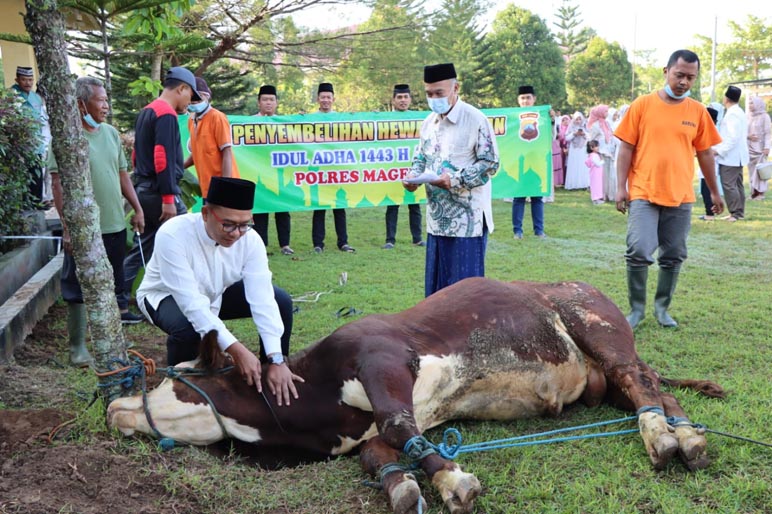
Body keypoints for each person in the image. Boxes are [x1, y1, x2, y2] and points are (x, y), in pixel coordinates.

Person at [137, 176, 303, 406]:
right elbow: (192, 305)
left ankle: (269, 374)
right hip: (164, 296)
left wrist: (276, 359)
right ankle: (181, 389)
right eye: (228, 224)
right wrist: (236, 350)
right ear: (206, 214)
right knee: (189, 329)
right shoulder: (173, 234)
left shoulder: (251, 240)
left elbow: (262, 298)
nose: (236, 233)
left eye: (244, 224)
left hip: (215, 295)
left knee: (281, 301)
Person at [615, 49, 724, 329]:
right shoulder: (642, 105)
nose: (684, 82)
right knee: (638, 249)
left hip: (680, 196)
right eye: (679, 75)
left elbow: (706, 154)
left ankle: (662, 308)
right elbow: (626, 147)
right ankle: (636, 310)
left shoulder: (698, 112)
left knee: (673, 253)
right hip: (643, 192)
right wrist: (620, 187)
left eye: (691, 77)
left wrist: (714, 191)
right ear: (666, 72)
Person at [48, 76, 146, 365]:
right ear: (81, 104)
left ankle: (110, 337)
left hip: (115, 223)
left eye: (106, 100)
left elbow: (122, 175)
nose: (106, 106)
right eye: (100, 100)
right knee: (76, 287)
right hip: (84, 229)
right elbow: (58, 185)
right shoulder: (66, 139)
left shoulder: (111, 134)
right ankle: (77, 347)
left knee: (114, 283)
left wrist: (138, 209)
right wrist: (68, 228)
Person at [403, 63, 499, 297]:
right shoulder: (429, 123)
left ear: (455, 88)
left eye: (439, 93)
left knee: (465, 295)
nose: (434, 99)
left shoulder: (475, 118)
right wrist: (412, 178)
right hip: (437, 220)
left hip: (468, 222)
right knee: (437, 294)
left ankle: (470, 335)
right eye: (429, 94)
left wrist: (454, 180)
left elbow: (490, 164)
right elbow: (421, 157)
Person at [121, 67, 199, 307]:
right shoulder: (166, 114)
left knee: (143, 248)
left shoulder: (147, 111)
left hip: (145, 189)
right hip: (159, 193)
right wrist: (168, 197)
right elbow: (162, 157)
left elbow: (136, 154)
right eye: (190, 96)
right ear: (181, 88)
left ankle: (121, 301)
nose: (190, 102)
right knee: (187, 240)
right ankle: (187, 297)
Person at [311, 82, 355, 253]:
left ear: (333, 99)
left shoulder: (341, 118)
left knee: (339, 207)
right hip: (319, 171)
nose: (326, 100)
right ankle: (317, 244)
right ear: (318, 99)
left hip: (337, 170)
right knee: (319, 207)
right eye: (323, 97)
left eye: (329, 97)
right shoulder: (310, 119)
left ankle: (343, 242)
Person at [251, 84, 294, 255]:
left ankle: (285, 244)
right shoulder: (249, 123)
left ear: (276, 103)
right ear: (258, 102)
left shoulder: (284, 124)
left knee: (282, 209)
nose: (268, 103)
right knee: (261, 210)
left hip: (279, 174)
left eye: (271, 100)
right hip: (258, 173)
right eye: (265, 100)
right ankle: (261, 245)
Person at [383, 84, 424, 250]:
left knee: (415, 204)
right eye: (399, 97)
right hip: (392, 169)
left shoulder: (419, 119)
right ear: (393, 100)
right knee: (392, 205)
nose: (403, 100)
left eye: (405, 97)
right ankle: (390, 239)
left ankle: (417, 238)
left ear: (410, 99)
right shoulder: (384, 120)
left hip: (412, 169)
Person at [183, 77, 239, 198]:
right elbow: (198, 152)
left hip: (223, 187)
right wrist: (179, 167)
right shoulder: (191, 120)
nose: (195, 101)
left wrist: (225, 184)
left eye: (199, 97)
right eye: (192, 98)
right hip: (207, 188)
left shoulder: (217, 117)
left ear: (207, 96)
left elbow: (227, 152)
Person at [511, 85, 546, 239]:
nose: (525, 101)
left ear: (534, 99)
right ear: (518, 100)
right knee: (519, 197)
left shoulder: (542, 117)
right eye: (522, 98)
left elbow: (549, 136)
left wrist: (551, 120)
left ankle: (539, 230)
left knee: (537, 197)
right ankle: (517, 230)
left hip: (537, 162)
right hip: (520, 162)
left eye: (528, 97)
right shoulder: (512, 118)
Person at [10, 66, 47, 205]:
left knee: (37, 174)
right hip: (20, 145)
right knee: (23, 176)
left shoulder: (35, 97)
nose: (28, 83)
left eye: (30, 80)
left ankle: (36, 203)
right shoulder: (12, 95)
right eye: (24, 79)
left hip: (36, 143)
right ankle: (24, 204)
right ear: (17, 79)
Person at [713, 85, 749, 222]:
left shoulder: (733, 114)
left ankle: (736, 213)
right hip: (736, 156)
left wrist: (719, 151)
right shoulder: (738, 111)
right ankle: (738, 212)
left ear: (726, 98)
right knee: (737, 185)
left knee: (729, 185)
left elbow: (733, 137)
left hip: (731, 157)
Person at [697, 104, 724, 220]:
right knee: (705, 190)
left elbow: (711, 149)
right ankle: (709, 212)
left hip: (710, 165)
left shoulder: (713, 131)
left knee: (707, 190)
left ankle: (710, 214)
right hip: (706, 165)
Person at [587, 104, 617, 203]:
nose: (607, 113)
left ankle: (610, 195)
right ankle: (601, 195)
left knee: (610, 175)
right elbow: (591, 140)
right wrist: (596, 152)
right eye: (605, 111)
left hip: (609, 152)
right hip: (601, 153)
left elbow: (611, 136)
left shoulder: (607, 123)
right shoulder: (595, 126)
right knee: (602, 176)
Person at [747, 96, 771, 200]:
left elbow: (768, 133)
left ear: (758, 104)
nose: (750, 105)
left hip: (760, 149)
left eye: (752, 103)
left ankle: (760, 193)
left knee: (760, 171)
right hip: (749, 148)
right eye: (749, 103)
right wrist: (748, 136)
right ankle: (753, 193)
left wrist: (767, 147)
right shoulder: (748, 116)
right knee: (751, 172)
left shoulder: (765, 116)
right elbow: (743, 131)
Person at [563, 112, 590, 190]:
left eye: (579, 119)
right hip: (574, 148)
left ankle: (583, 184)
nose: (578, 121)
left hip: (583, 148)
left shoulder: (585, 126)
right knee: (574, 166)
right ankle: (573, 184)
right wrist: (574, 134)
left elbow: (590, 136)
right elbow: (566, 138)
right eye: (577, 119)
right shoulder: (571, 126)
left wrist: (583, 133)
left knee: (583, 166)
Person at [585, 140, 604, 205]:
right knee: (596, 185)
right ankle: (596, 199)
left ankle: (598, 198)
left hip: (596, 173)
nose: (597, 147)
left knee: (597, 185)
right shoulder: (594, 156)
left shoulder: (593, 155)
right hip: (595, 173)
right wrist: (603, 161)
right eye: (596, 146)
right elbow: (598, 164)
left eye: (598, 146)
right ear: (591, 148)